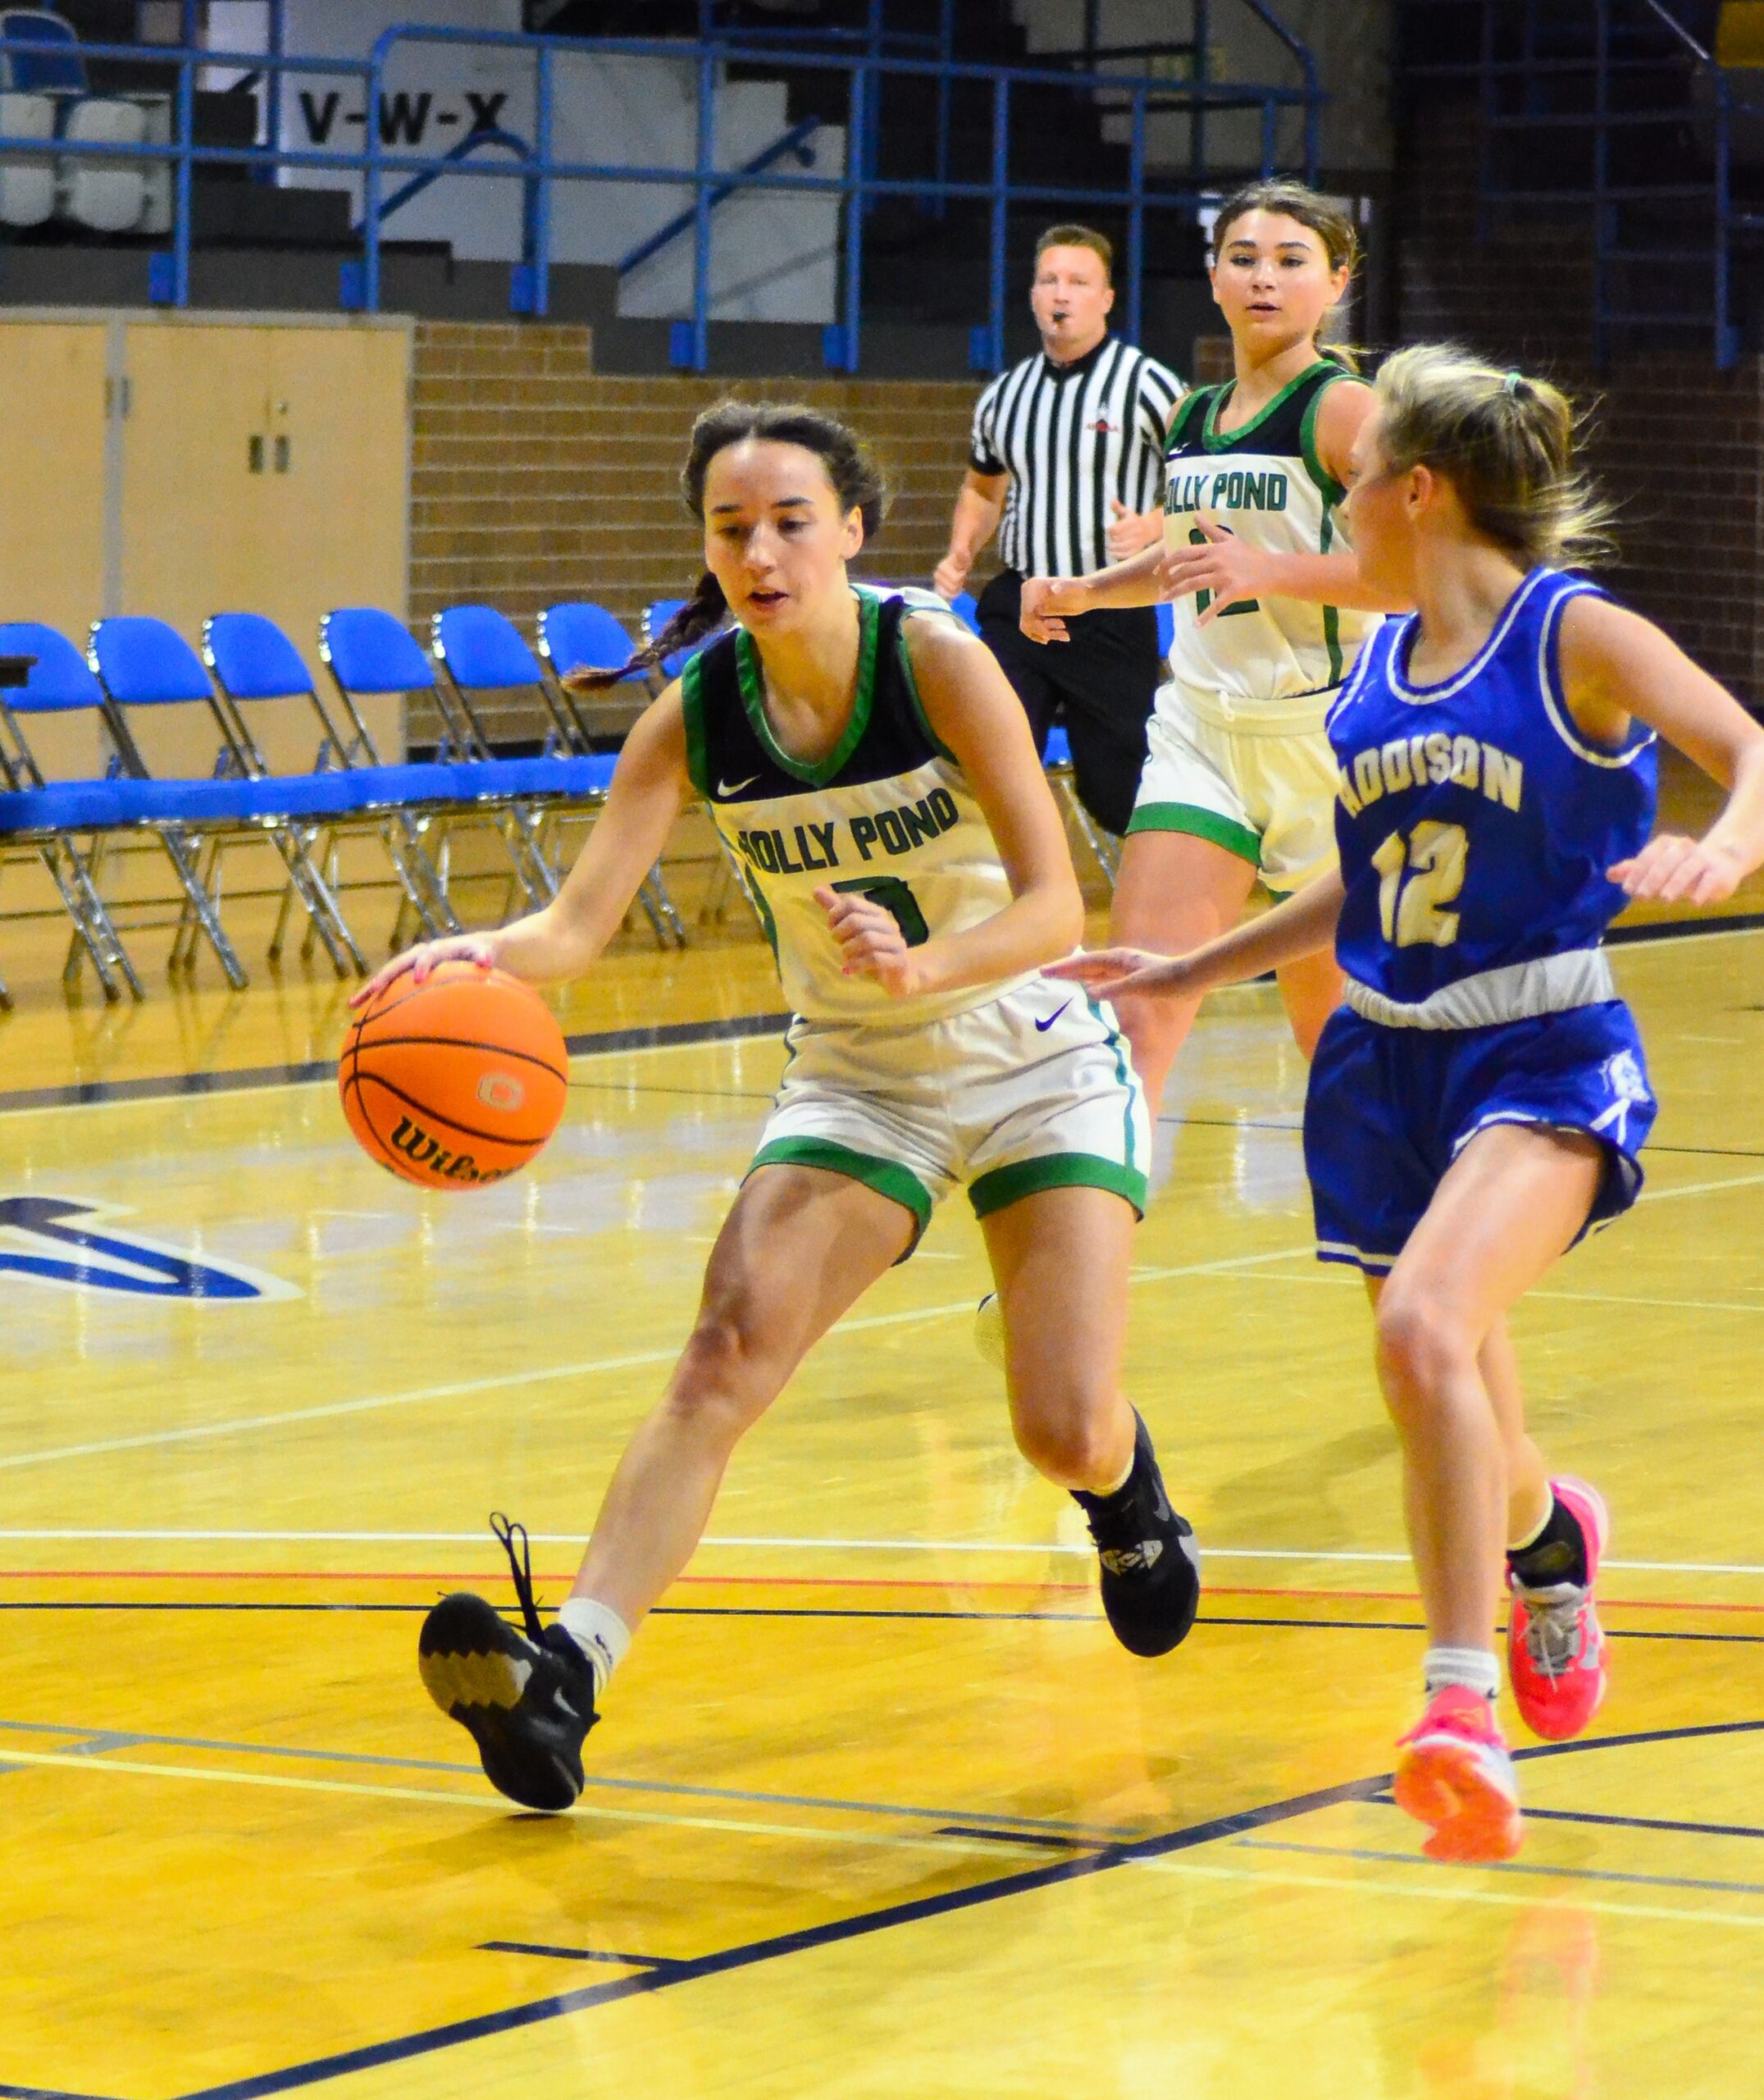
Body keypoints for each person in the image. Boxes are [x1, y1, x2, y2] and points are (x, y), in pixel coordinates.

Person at [352, 401, 1201, 1813]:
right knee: (721, 1356)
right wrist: (461, 961)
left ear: (852, 530)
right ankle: (567, 1678)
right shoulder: (696, 714)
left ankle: (1124, 1495)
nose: (760, 553)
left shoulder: (933, 660)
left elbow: (1058, 905)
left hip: (1031, 1057)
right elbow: (573, 929)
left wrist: (924, 962)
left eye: (790, 523)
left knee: (1059, 1427)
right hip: (861, 1075)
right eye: (730, 528)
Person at [1049, 344, 1764, 1863]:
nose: (1345, 501)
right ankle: (1548, 1543)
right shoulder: (1372, 665)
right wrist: (1192, 965)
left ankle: (1455, 1707)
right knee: (1449, 1394)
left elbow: (1750, 746)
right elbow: (1359, 879)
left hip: (1537, 1051)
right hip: (1383, 1067)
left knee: (1424, 1329)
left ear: (1415, 491)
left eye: (1360, 478)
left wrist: (1727, 845)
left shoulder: (1573, 632)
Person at [1021, 180, 1406, 1120]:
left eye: (1290, 261)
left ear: (1338, 281)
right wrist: (1086, 589)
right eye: (1244, 258)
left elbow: (1409, 578)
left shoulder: (1346, 410)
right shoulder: (1194, 414)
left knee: (1336, 1046)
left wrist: (1269, 570)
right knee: (1136, 1011)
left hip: (1328, 745)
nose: (1264, 278)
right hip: (1203, 735)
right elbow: (1194, 557)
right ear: (1214, 276)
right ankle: (1089, 1217)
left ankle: (1398, 1211)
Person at [934, 224, 1183, 839]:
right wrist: (961, 549)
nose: (1061, 294)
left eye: (1078, 281)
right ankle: (1010, 876)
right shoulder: (1005, 395)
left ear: (1106, 298)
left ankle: (1151, 875)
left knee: (1114, 787)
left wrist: (1153, 524)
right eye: (1049, 280)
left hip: (1110, 606)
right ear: (1032, 295)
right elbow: (983, 487)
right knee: (990, 746)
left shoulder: (1148, 384)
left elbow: (1199, 479)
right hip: (1023, 602)